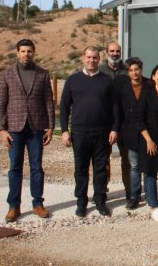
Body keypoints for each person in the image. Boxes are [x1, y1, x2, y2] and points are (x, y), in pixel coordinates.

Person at [0, 39, 55, 222]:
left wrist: (51, 127)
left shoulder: (42, 74)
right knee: (15, 167)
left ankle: (37, 203)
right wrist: (2, 130)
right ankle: (14, 206)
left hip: (36, 128)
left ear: (34, 53)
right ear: (17, 52)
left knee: (37, 167)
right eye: (23, 51)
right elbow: (1, 103)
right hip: (14, 128)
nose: (26, 54)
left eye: (29, 51)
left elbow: (48, 101)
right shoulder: (7, 74)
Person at [60, 46, 117, 217]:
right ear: (83, 58)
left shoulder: (107, 80)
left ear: (99, 60)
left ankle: (100, 201)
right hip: (79, 133)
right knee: (81, 169)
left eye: (95, 58)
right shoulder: (73, 80)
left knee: (100, 169)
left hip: (102, 132)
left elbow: (115, 108)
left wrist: (114, 129)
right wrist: (64, 130)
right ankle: (81, 202)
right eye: (89, 57)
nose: (91, 60)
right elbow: (63, 107)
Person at [115, 57, 158, 221]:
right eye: (130, 70)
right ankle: (135, 196)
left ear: (141, 69)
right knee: (135, 165)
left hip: (146, 132)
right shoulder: (122, 87)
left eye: (136, 69)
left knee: (148, 165)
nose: (134, 72)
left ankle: (151, 196)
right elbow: (118, 110)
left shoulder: (148, 85)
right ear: (127, 72)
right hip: (130, 132)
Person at [98, 41, 130, 201]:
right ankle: (102, 190)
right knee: (103, 159)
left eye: (117, 51)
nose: (115, 54)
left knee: (127, 158)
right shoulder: (99, 71)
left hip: (125, 122)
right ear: (106, 52)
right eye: (112, 51)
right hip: (104, 121)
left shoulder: (127, 71)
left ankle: (130, 190)